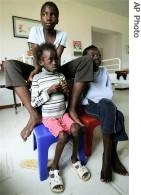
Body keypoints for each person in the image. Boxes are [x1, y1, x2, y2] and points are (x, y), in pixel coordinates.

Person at [4, 1, 94, 141]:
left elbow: (55, 60)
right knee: (9, 64)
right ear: (40, 17)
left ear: (57, 19)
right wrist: (36, 70)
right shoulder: (35, 31)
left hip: (55, 67)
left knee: (87, 60)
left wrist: (60, 79)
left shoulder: (62, 34)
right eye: (45, 14)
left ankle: (71, 109)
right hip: (39, 66)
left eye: (52, 14)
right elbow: (36, 56)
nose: (48, 17)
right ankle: (34, 114)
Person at [31, 42, 91, 193]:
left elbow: (65, 98)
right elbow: (33, 102)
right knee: (63, 136)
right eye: (50, 60)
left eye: (56, 59)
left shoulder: (61, 75)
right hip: (49, 118)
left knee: (77, 128)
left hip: (63, 115)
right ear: (41, 62)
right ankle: (54, 167)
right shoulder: (38, 79)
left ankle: (74, 159)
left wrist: (65, 92)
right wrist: (48, 92)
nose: (54, 62)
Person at [81, 45, 129, 182]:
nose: (97, 58)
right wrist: (101, 96)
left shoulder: (104, 71)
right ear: (84, 58)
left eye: (99, 55)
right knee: (111, 107)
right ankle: (109, 159)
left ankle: (109, 157)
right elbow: (88, 95)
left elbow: (109, 93)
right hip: (90, 105)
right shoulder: (83, 71)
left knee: (117, 114)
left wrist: (101, 96)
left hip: (104, 104)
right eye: (92, 55)